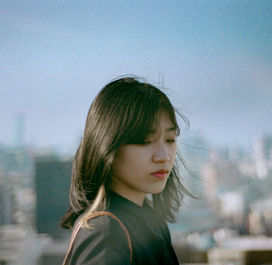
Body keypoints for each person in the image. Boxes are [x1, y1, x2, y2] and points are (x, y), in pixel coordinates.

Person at [61, 76, 190, 265]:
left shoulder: (149, 219)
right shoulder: (105, 233)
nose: (164, 156)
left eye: (170, 140)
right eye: (145, 140)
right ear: (107, 146)